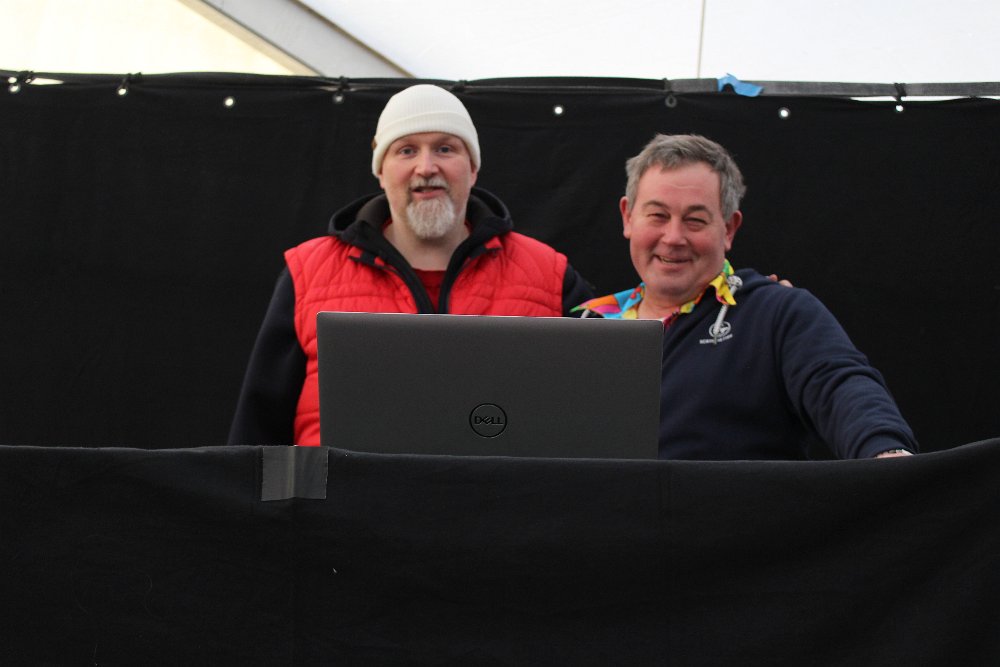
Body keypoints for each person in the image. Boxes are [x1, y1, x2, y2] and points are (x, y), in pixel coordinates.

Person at [229, 84, 593, 446]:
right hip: (344, 487)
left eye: (445, 148)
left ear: (473, 168)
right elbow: (257, 433)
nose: (426, 167)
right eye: (406, 150)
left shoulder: (548, 275)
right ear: (381, 171)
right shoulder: (307, 273)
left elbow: (594, 415)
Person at [574, 134, 917, 460]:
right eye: (658, 216)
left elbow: (839, 383)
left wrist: (884, 450)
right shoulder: (585, 324)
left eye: (695, 220)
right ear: (628, 217)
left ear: (729, 229)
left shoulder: (778, 314)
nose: (673, 237)